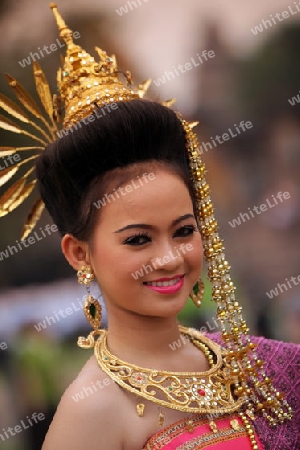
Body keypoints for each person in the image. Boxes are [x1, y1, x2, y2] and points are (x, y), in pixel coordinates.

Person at [0, 4, 299, 449]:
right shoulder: (91, 411)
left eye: (183, 231)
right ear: (79, 253)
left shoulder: (257, 365)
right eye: (139, 239)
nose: (169, 258)